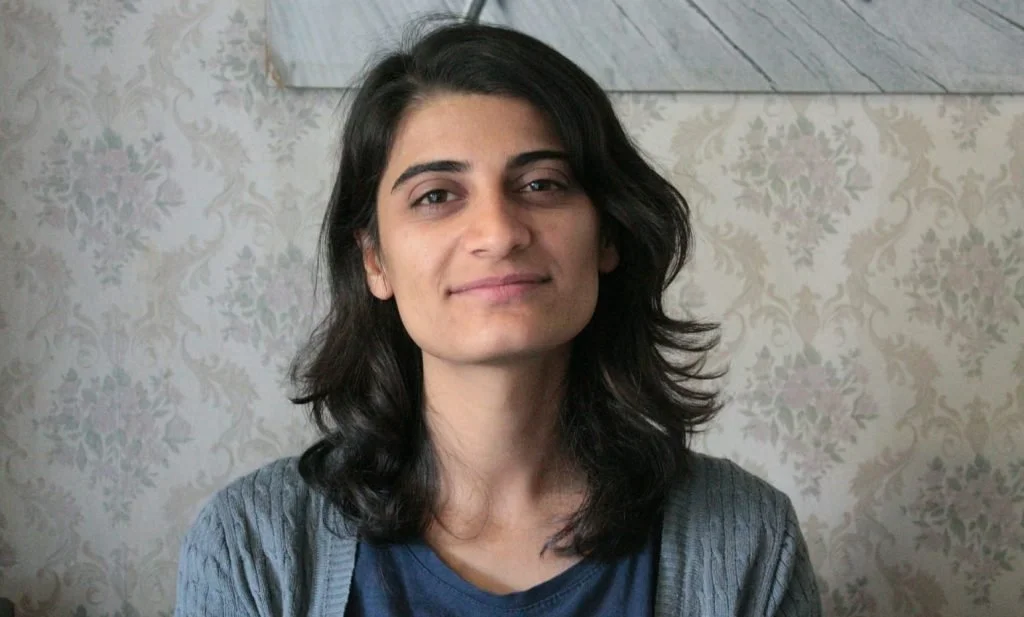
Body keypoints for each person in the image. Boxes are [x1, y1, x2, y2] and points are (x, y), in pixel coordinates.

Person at [174, 19, 821, 617]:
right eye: (436, 195)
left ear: (606, 235)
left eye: (541, 184)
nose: (499, 232)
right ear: (374, 259)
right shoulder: (249, 544)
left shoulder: (750, 540)